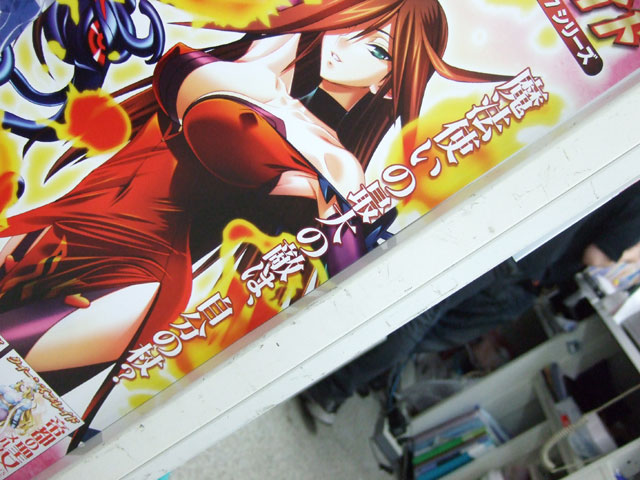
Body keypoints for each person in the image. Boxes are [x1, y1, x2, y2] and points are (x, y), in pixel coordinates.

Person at [0, 0, 509, 445]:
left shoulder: (339, 167)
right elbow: (200, 85)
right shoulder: (258, 67)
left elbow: (342, 261)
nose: (344, 46)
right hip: (65, 218)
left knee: (14, 399)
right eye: (350, 21)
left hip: (133, 283)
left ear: (387, 83)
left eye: (377, 50)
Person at [302, 179, 640, 424]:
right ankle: (333, 385)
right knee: (426, 319)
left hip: (523, 231)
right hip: (528, 259)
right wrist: (632, 255)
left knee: (428, 318)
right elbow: (598, 255)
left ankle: (343, 370)